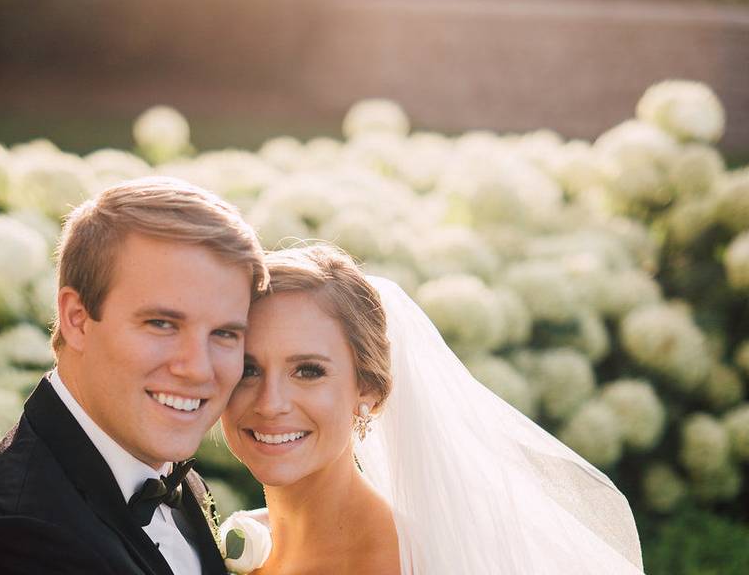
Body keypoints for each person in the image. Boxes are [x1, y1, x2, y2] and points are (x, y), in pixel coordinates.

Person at [221, 244, 646, 575]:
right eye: (247, 369)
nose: (270, 402)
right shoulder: (226, 540)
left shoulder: (422, 562)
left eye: (308, 371)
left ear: (367, 388)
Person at [0, 177, 268, 575]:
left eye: (224, 333)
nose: (199, 368)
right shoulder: (12, 540)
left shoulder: (165, 476)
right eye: (162, 324)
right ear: (77, 319)